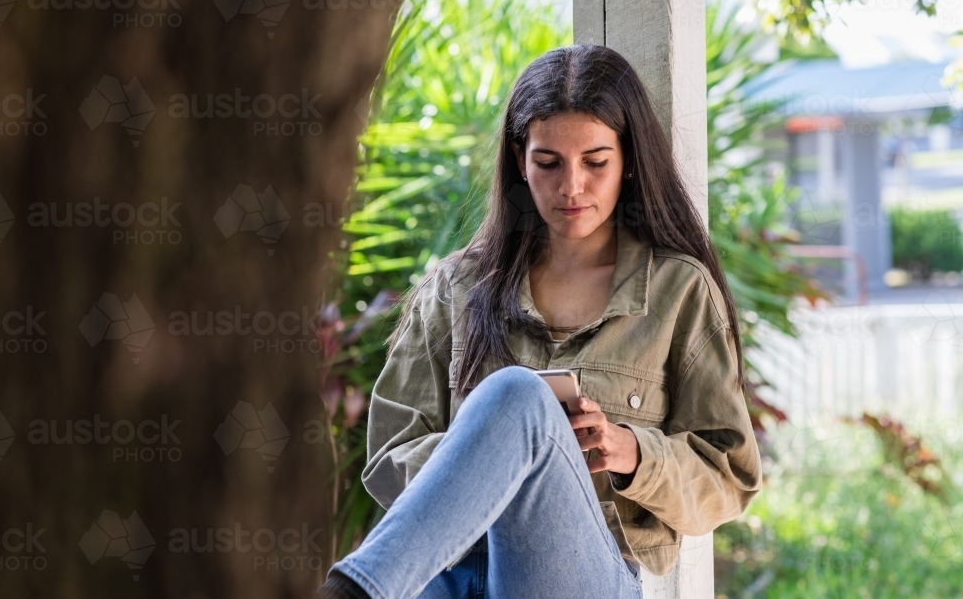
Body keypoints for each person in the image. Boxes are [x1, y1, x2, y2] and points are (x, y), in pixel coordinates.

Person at [318, 45, 763, 599]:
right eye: (549, 163)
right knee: (515, 409)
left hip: (580, 576)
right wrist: (493, 452)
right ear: (519, 159)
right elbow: (388, 458)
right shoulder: (456, 287)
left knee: (518, 397)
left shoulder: (679, 291)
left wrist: (629, 451)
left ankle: (351, 593)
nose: (571, 187)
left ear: (628, 161)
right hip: (450, 576)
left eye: (595, 162)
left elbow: (729, 477)